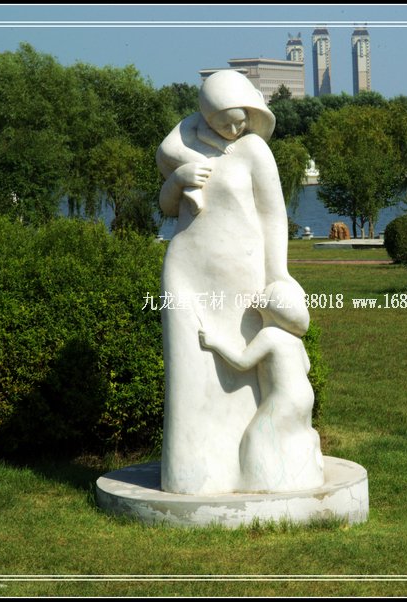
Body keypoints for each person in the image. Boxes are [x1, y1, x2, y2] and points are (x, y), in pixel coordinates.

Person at [156, 70, 301, 495]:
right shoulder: (185, 150)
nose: (235, 129)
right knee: (188, 373)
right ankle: (190, 477)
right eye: (225, 122)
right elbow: (167, 208)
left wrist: (278, 272)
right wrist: (178, 180)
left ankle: (249, 468)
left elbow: (273, 215)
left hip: (243, 278)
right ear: (206, 116)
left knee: (242, 377)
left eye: (240, 120)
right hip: (186, 272)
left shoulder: (254, 150)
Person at [199, 280, 324, 493]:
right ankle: (310, 458)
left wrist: (214, 342)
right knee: (297, 432)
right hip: (304, 396)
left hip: (284, 398)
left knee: (255, 438)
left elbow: (242, 361)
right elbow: (307, 367)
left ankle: (258, 483)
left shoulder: (269, 335)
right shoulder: (296, 341)